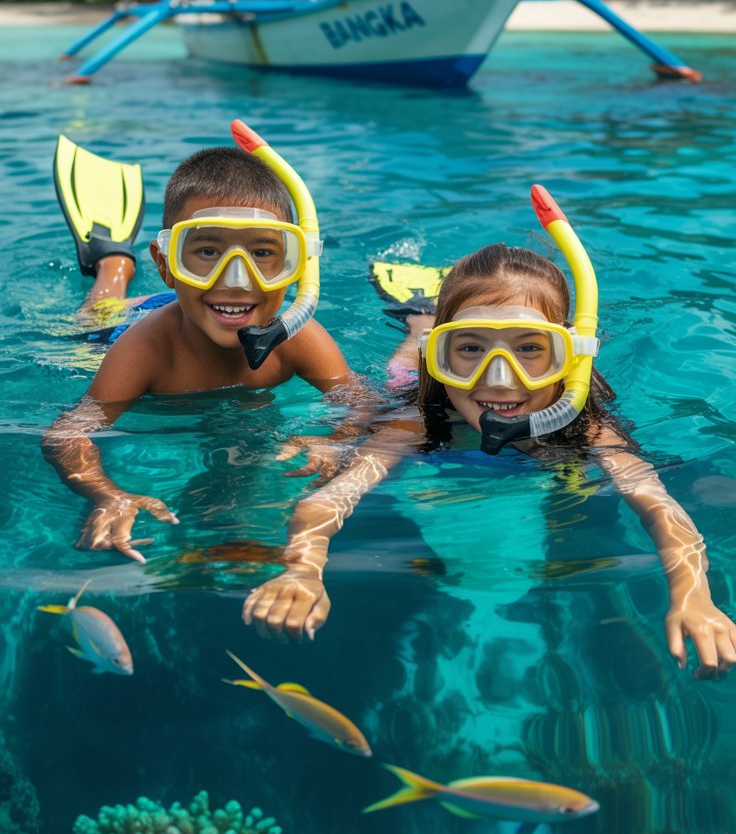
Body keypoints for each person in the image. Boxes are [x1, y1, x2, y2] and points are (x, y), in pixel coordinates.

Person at [243, 186, 736, 675]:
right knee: (405, 365)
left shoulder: (588, 431)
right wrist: (303, 568)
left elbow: (661, 509)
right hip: (415, 381)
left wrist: (694, 596)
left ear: (570, 358)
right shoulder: (417, 421)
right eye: (469, 348)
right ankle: (422, 325)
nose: (499, 380)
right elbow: (331, 499)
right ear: (442, 357)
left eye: (530, 349)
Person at [44, 121, 367, 563]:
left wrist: (339, 438)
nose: (236, 280)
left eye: (262, 253)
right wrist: (107, 494)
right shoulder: (146, 350)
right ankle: (114, 263)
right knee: (96, 312)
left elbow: (364, 402)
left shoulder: (298, 339)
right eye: (208, 251)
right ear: (166, 264)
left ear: (297, 265)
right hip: (122, 325)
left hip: (195, 303)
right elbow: (67, 433)